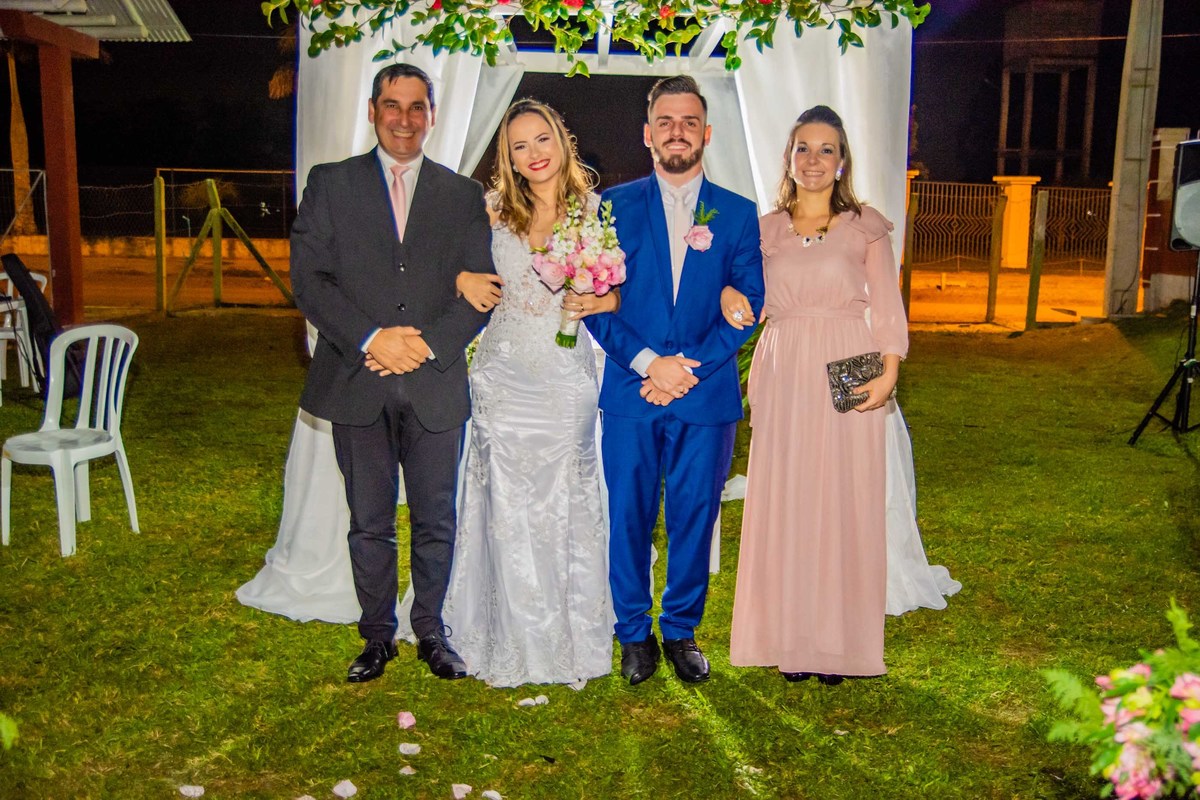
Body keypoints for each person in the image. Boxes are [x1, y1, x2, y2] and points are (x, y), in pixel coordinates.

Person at [289, 63, 495, 684]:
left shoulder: (462, 194)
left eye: (416, 107)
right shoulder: (330, 184)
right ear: (373, 111)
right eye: (391, 105)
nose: (403, 118)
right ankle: (377, 635)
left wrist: (426, 346)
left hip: (434, 385)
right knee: (369, 522)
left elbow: (482, 290)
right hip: (358, 380)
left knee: (437, 519)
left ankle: (431, 631)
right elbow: (309, 280)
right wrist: (373, 338)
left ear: (432, 115)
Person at [423, 99, 617, 687]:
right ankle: (504, 630)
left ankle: (567, 631)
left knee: (565, 498)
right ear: (507, 159)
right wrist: (459, 276)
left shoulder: (594, 212)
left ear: (562, 141)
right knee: (505, 503)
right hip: (503, 374)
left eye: (542, 140)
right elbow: (436, 266)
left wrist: (598, 299)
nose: (534, 155)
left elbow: (614, 295)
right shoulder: (488, 212)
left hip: (565, 376)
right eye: (519, 147)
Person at [585, 76, 765, 685]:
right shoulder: (611, 207)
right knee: (629, 516)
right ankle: (632, 632)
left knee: (694, 515)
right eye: (665, 121)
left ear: (706, 133)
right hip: (632, 393)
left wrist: (686, 371)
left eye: (689, 121)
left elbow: (748, 304)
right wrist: (647, 365)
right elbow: (594, 303)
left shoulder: (738, 213)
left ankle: (681, 629)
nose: (677, 131)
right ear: (647, 133)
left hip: (705, 397)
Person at [727, 105, 908, 684]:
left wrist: (890, 369)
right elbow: (740, 294)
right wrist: (730, 289)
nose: (813, 160)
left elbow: (887, 303)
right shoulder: (765, 230)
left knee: (843, 498)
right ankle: (790, 636)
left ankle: (837, 644)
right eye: (803, 147)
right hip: (783, 363)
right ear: (788, 156)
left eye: (826, 149)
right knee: (788, 495)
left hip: (850, 360)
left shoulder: (864, 225)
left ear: (842, 160)